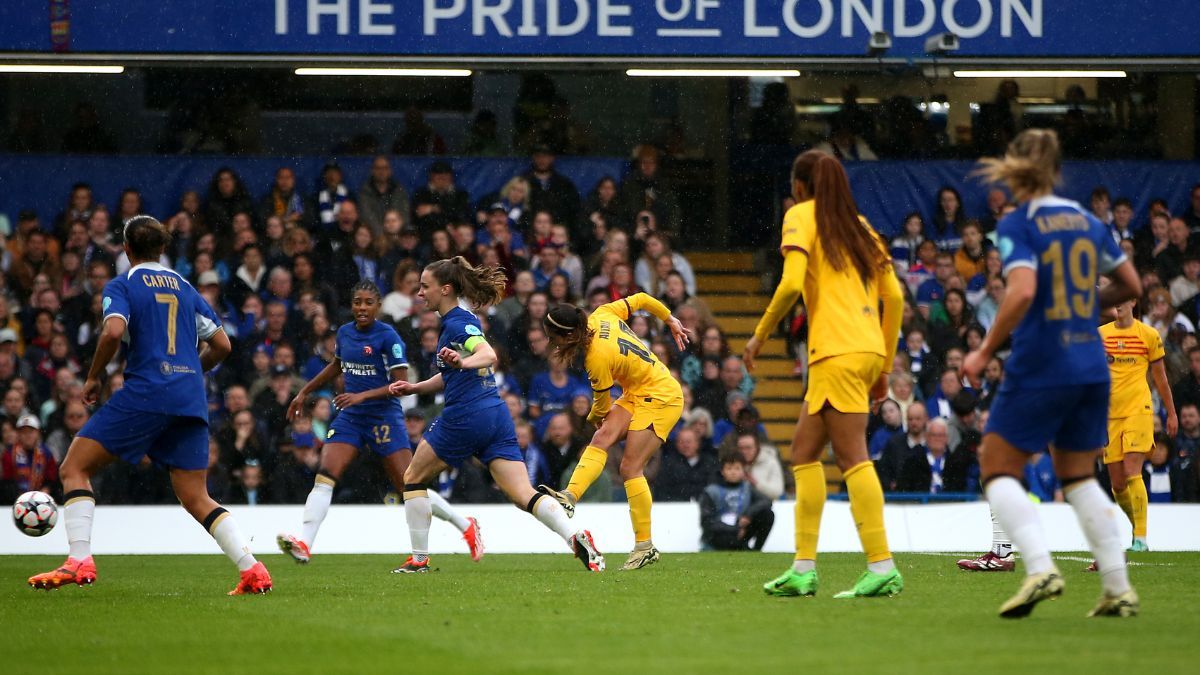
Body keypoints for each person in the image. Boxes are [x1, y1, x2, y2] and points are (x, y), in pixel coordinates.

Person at [27, 215, 272, 595]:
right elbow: (223, 345)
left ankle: (78, 560)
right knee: (195, 495)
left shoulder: (123, 284)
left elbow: (112, 330)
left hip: (148, 391)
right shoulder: (187, 288)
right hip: (190, 398)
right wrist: (191, 371)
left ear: (126, 249)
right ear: (161, 248)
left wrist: (94, 376)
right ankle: (252, 569)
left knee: (74, 467)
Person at [961, 128, 1142, 618]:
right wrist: (1085, 304)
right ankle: (1118, 589)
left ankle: (1039, 568)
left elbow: (1020, 292)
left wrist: (984, 352)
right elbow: (1131, 285)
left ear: (1017, 171)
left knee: (996, 465)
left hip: (1043, 357)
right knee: (1079, 477)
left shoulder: (1020, 223)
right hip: (1090, 363)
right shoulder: (1086, 219)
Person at [746, 149, 904, 599]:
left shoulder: (800, 215)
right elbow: (893, 298)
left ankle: (882, 565)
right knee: (803, 450)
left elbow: (793, 283)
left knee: (852, 455)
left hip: (835, 350)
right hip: (865, 347)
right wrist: (884, 365)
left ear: (799, 186)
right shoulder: (862, 227)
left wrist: (759, 336)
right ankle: (802, 568)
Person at [387, 257, 603, 573]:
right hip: (495, 414)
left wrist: (463, 363)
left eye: (425, 286)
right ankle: (575, 537)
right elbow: (452, 373)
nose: (420, 293)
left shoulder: (456, 325)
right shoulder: (465, 318)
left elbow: (487, 355)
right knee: (523, 495)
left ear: (445, 289)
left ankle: (419, 559)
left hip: (465, 416)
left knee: (412, 479)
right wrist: (416, 387)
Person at [277, 280, 481, 565]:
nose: (362, 307)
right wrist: (304, 391)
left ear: (378, 306)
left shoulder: (388, 337)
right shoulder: (345, 333)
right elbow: (337, 365)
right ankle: (304, 544)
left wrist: (361, 396)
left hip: (384, 416)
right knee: (325, 475)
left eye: (368, 303)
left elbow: (402, 383)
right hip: (352, 415)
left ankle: (464, 524)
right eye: (357, 302)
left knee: (409, 487)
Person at [537, 292, 690, 570]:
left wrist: (595, 417)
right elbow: (642, 298)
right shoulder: (603, 313)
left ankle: (645, 546)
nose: (551, 342)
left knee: (630, 468)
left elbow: (601, 404)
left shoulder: (596, 358)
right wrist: (670, 319)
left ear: (570, 336)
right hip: (639, 389)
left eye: (554, 337)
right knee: (602, 437)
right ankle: (569, 497)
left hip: (661, 396)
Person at [1096, 294, 1177, 552]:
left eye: (1122, 299)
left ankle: (1141, 538)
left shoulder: (1149, 335)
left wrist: (1172, 413)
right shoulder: (1100, 335)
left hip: (1138, 410)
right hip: (1110, 414)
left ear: (1133, 302)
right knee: (1118, 485)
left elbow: (1161, 379)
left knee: (1133, 471)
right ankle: (1136, 526)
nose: (1117, 304)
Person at [699, 452, 776, 551]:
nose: (733, 472)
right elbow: (707, 522)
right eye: (729, 468)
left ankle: (756, 550)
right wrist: (735, 529)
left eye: (737, 468)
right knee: (721, 536)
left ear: (743, 471)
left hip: (741, 529)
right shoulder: (711, 491)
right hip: (720, 534)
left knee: (767, 514)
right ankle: (739, 548)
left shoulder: (747, 488)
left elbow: (766, 501)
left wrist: (748, 515)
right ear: (722, 471)